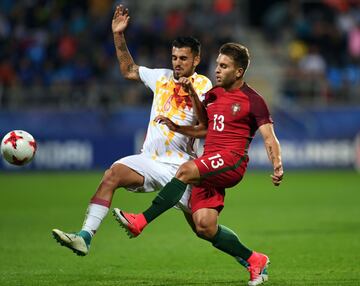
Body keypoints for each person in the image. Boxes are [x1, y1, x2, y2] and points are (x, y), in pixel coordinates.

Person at [113, 43, 284, 286]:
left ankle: (140, 221)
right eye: (217, 64)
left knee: (185, 170)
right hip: (209, 163)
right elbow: (204, 127)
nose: (217, 70)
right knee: (204, 226)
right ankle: (255, 260)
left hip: (231, 160)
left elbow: (269, 137)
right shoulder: (213, 95)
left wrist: (276, 163)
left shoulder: (253, 100)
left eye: (224, 66)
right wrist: (178, 124)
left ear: (238, 72)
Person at [52, 5, 212, 256]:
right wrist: (118, 35)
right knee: (111, 175)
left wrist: (190, 91)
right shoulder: (161, 77)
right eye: (174, 58)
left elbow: (205, 124)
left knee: (204, 229)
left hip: (182, 169)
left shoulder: (204, 84)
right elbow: (129, 70)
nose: (177, 63)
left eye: (183, 58)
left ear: (196, 60)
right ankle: (85, 236)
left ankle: (250, 258)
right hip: (149, 160)